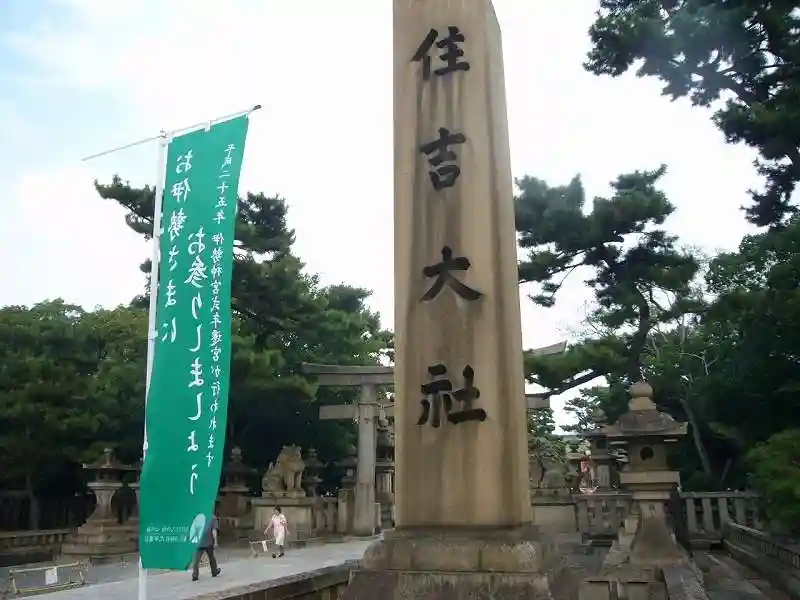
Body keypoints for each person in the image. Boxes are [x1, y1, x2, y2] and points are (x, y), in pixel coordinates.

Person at [191, 512, 221, 582]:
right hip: (207, 542)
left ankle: (195, 575)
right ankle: (214, 572)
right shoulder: (212, 517)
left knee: (197, 559)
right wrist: (215, 542)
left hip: (201, 542)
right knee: (211, 558)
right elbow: (214, 531)